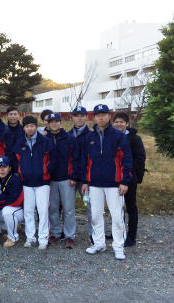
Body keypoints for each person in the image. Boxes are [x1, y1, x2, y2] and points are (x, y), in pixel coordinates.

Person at [81, 104, 132, 260]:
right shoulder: (89, 137)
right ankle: (99, 244)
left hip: (114, 183)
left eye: (104, 114)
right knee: (96, 215)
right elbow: (85, 161)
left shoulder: (119, 136)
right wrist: (84, 181)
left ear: (109, 116)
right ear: (94, 117)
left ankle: (118, 246)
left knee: (117, 217)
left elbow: (127, 160)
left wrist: (124, 181)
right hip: (94, 183)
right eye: (98, 115)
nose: (101, 117)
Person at [12, 115, 56, 250]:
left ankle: (43, 239)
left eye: (32, 126)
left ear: (36, 127)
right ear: (24, 128)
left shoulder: (45, 141)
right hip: (27, 183)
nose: (29, 128)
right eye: (27, 126)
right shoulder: (20, 143)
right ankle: (30, 238)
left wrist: (45, 172)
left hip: (42, 182)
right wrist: (21, 173)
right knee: (28, 211)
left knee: (43, 211)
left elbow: (53, 160)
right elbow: (16, 160)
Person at [46, 113, 79, 249]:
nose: (54, 124)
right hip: (50, 179)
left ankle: (70, 236)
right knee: (52, 208)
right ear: (48, 124)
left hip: (66, 178)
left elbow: (76, 158)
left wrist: (74, 176)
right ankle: (55, 233)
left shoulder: (69, 138)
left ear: (61, 123)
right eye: (51, 121)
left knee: (69, 209)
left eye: (56, 121)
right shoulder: (44, 139)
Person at [112, 111, 146, 247]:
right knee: (116, 207)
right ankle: (118, 233)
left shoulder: (134, 138)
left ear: (126, 123)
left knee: (130, 207)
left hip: (129, 178)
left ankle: (131, 236)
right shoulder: (111, 137)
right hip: (113, 178)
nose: (118, 124)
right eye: (116, 122)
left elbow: (140, 158)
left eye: (121, 122)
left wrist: (135, 176)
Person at [0, 156, 24, 248]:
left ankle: (12, 237)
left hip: (20, 210)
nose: (2, 170)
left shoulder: (15, 179)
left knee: (7, 211)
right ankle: (14, 227)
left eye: (4, 167)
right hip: (3, 208)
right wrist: (4, 197)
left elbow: (12, 199)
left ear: (9, 168)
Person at [68, 106, 93, 243]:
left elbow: (90, 159)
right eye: (76, 115)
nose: (79, 118)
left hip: (86, 179)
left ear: (86, 117)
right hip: (71, 178)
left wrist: (86, 180)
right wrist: (71, 175)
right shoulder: (68, 134)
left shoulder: (91, 135)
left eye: (81, 115)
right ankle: (69, 235)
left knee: (90, 206)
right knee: (69, 207)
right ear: (72, 117)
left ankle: (93, 234)